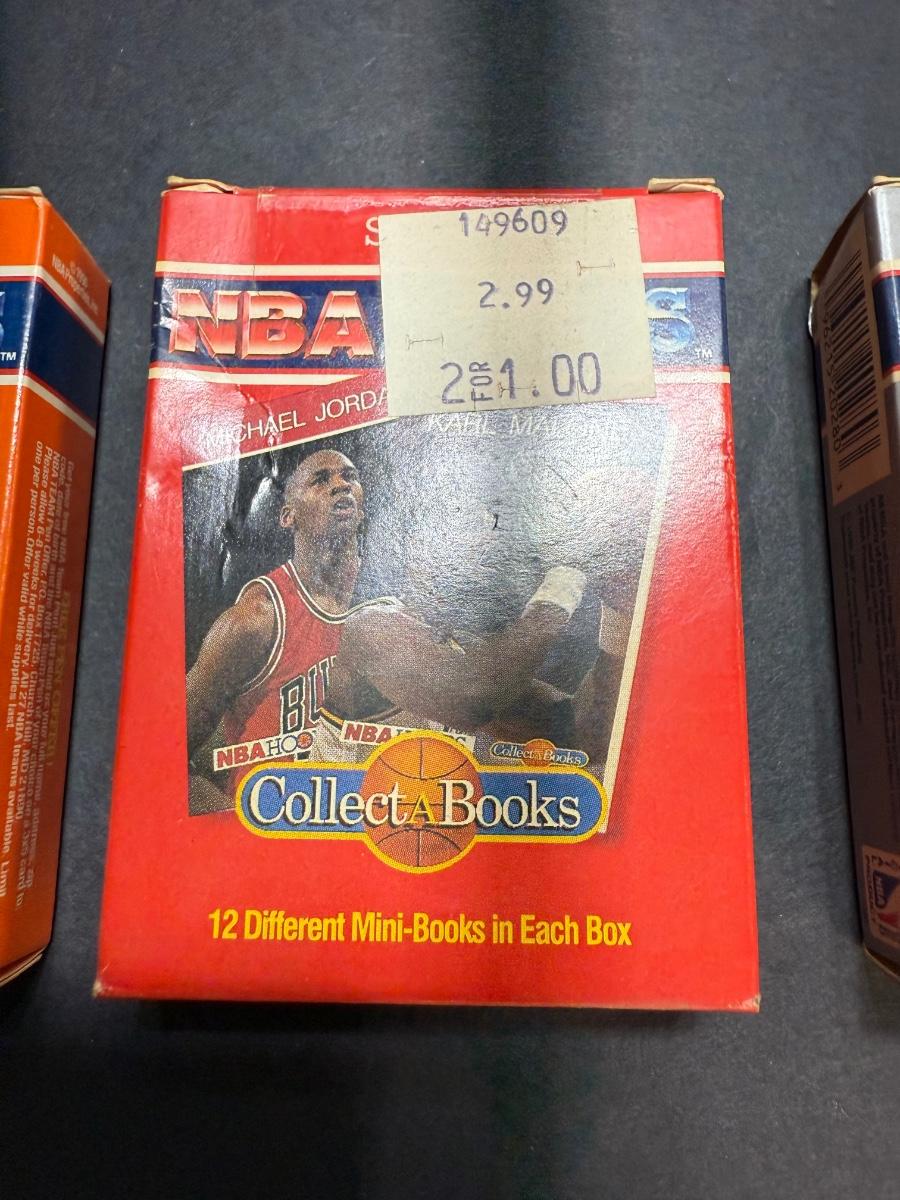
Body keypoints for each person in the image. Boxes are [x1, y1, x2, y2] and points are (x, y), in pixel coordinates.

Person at [186, 448, 376, 812]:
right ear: (288, 516)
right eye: (321, 480)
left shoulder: (391, 603)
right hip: (270, 830)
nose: (341, 485)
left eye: (349, 477)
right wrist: (234, 826)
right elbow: (165, 748)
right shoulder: (257, 618)